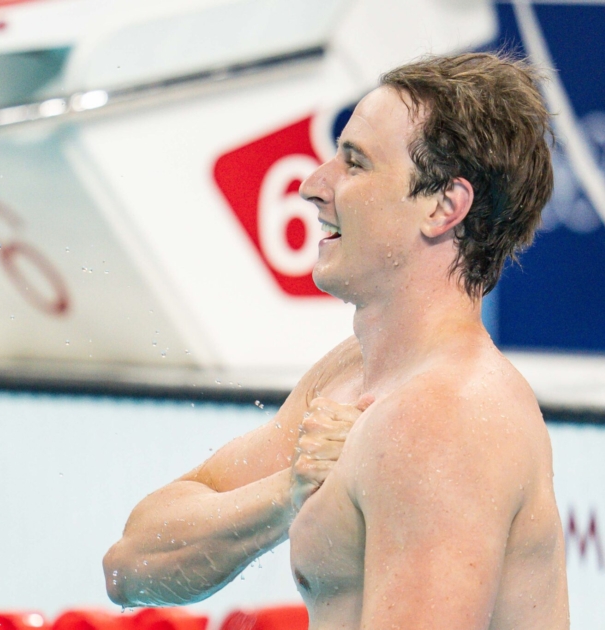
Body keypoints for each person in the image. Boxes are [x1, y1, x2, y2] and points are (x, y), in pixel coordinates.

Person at [103, 52, 569, 629]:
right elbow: (130, 566)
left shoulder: (444, 419)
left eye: (355, 163)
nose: (312, 185)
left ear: (443, 206)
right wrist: (289, 491)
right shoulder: (349, 376)